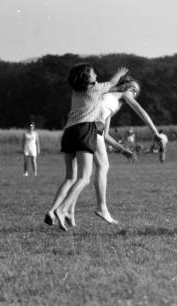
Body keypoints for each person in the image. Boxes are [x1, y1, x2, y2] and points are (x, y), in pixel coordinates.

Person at [45, 63, 128, 231]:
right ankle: (62, 210)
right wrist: (120, 73)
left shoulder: (76, 91)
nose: (96, 74)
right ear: (87, 78)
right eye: (93, 73)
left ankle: (55, 211)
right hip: (85, 130)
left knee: (70, 177)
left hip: (69, 132)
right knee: (84, 177)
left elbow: (110, 89)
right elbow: (112, 83)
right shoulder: (96, 88)